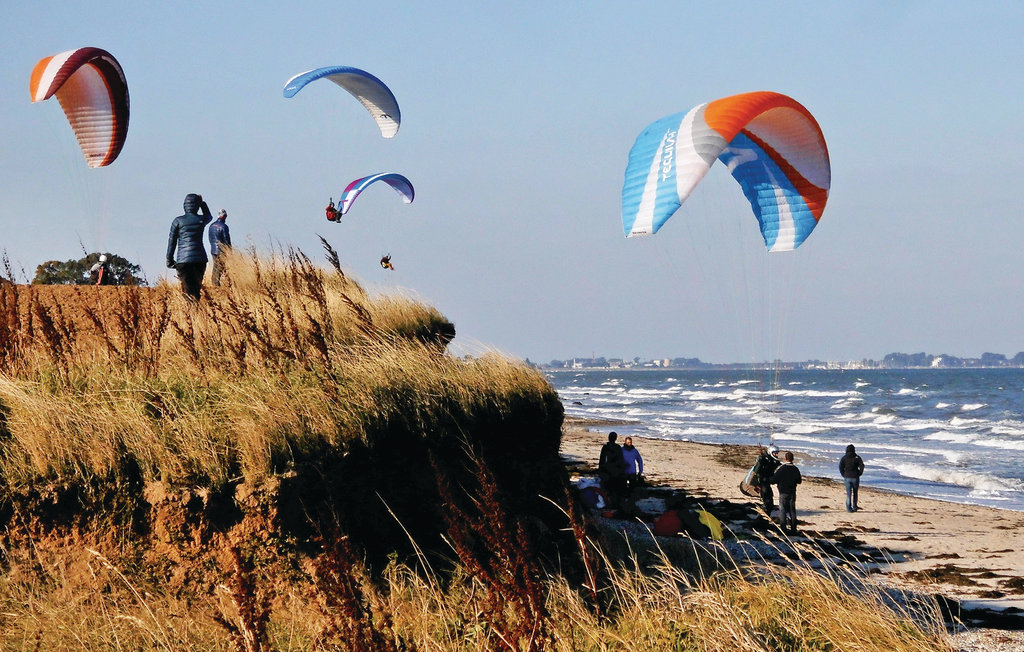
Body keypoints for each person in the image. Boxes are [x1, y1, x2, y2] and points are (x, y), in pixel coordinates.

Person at [166, 193, 213, 301]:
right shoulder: (201, 220)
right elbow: (209, 216)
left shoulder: (177, 221)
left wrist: (169, 259)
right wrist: (202, 203)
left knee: (186, 290)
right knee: (196, 288)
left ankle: (189, 313)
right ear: (196, 206)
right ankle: (196, 311)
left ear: (184, 205)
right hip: (199, 259)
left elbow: (172, 242)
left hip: (183, 260)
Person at [771, 451, 802, 534]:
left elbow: (773, 480)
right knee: (792, 510)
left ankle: (783, 528)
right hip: (792, 492)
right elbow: (799, 481)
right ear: (793, 459)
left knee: (782, 509)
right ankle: (793, 528)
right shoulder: (795, 469)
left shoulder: (782, 469)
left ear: (785, 459)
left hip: (783, 492)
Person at [598, 431, 627, 509]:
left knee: (609, 489)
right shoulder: (617, 448)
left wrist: (601, 470)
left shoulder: (606, 447)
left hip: (608, 470)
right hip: (615, 471)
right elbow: (621, 460)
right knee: (614, 489)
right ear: (615, 438)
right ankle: (615, 504)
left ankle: (611, 504)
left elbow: (602, 460)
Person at [753, 444, 781, 515]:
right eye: (775, 453)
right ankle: (766, 507)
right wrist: (760, 462)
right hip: (762, 481)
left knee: (770, 494)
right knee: (765, 494)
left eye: (777, 453)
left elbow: (773, 468)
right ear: (771, 452)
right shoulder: (763, 459)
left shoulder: (772, 460)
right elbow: (756, 470)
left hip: (767, 480)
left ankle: (770, 506)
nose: (776, 455)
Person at [208, 208, 232, 287]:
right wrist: (229, 250)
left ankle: (214, 284)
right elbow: (226, 240)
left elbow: (210, 238)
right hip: (221, 250)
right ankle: (216, 285)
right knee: (219, 268)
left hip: (213, 250)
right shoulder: (224, 227)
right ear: (225, 216)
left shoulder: (211, 226)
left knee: (215, 267)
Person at [839, 444, 865, 512]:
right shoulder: (857, 457)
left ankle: (848, 508)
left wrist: (843, 474)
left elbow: (841, 467)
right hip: (855, 477)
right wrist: (860, 473)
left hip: (847, 477)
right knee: (855, 493)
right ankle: (854, 507)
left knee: (848, 493)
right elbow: (862, 466)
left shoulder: (844, 458)